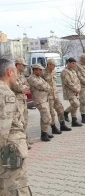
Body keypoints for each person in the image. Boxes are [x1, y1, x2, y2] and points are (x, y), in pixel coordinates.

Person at [0, 58, 32, 195]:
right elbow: (3, 130)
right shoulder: (6, 94)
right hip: (11, 150)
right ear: (9, 72)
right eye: (15, 72)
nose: (16, 76)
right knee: (16, 187)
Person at [41, 59, 72, 134]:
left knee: (60, 109)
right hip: (48, 96)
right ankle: (53, 127)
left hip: (55, 95)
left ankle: (62, 124)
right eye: (53, 65)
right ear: (49, 65)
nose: (55, 67)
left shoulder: (54, 72)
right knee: (52, 113)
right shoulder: (43, 73)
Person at [27, 64, 53, 142]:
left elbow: (47, 85)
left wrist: (47, 88)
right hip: (39, 100)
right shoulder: (31, 78)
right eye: (40, 70)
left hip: (44, 99)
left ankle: (44, 132)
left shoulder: (39, 78)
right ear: (35, 70)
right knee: (46, 116)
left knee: (44, 117)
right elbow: (42, 86)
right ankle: (43, 135)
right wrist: (47, 88)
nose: (41, 71)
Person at [10, 58, 31, 148]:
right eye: (23, 65)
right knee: (20, 122)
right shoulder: (13, 74)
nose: (25, 67)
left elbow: (27, 86)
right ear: (18, 65)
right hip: (17, 101)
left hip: (23, 99)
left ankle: (25, 140)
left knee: (25, 120)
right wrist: (23, 87)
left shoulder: (21, 75)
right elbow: (18, 88)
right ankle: (21, 143)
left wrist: (23, 87)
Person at [61, 57, 83, 127]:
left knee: (74, 106)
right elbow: (68, 83)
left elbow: (78, 81)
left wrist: (79, 88)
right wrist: (77, 89)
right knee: (76, 104)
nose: (74, 65)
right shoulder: (65, 72)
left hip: (76, 91)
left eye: (75, 63)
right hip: (69, 92)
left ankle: (74, 121)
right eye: (73, 63)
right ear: (69, 63)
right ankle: (65, 112)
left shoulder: (73, 71)